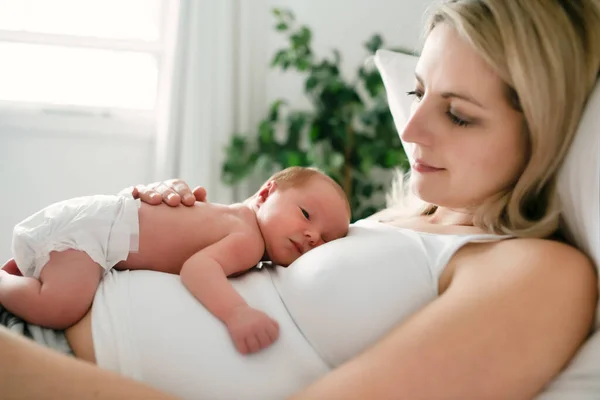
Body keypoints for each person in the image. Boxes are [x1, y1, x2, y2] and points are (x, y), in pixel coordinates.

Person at [1, 0, 599, 399]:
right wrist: (163, 210)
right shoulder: (397, 220)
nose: (410, 129)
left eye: (459, 115)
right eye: (417, 91)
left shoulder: (540, 274)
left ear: (547, 129)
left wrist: (22, 370)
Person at [0, 166, 350, 354]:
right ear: (266, 192)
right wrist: (237, 313)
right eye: (306, 214)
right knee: (60, 306)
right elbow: (197, 269)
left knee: (56, 292)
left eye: (327, 240)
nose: (312, 236)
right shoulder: (247, 237)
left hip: (99, 223)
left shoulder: (234, 222)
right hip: (98, 232)